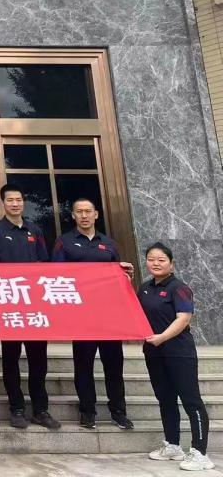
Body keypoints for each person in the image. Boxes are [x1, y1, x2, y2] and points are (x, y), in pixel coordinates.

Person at [51, 197, 134, 430]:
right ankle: (87, 412)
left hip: (109, 315)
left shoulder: (109, 244)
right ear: (73, 215)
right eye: (79, 211)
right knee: (83, 365)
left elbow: (120, 277)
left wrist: (126, 276)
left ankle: (118, 412)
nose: (84, 215)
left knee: (114, 365)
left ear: (96, 214)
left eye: (88, 211)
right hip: (82, 315)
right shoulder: (64, 242)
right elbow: (55, 276)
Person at [0, 183, 60, 430]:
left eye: (18, 200)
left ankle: (40, 409)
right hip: (8, 305)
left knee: (39, 359)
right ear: (3, 203)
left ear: (23, 202)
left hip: (33, 305)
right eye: (10, 200)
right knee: (11, 358)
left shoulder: (34, 230)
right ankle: (16, 408)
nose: (15, 204)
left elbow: (43, 265)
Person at [141, 242, 213, 470]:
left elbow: (184, 318)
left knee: (191, 401)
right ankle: (173, 446)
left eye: (161, 260)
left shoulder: (179, 288)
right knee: (165, 398)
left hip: (179, 352)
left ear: (171, 264)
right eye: (151, 259)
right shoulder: (144, 288)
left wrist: (162, 337)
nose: (155, 263)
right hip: (154, 352)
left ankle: (200, 453)